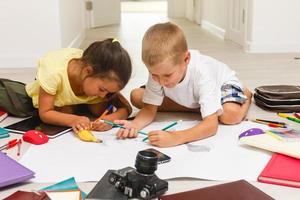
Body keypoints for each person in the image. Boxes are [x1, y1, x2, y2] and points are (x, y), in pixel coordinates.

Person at [115, 22, 252, 147]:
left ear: (186, 59)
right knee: (137, 96)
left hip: (224, 84)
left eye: (168, 75)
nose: (162, 82)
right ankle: (205, 106)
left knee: (229, 115)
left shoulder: (201, 72)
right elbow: (149, 110)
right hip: (193, 96)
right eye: (154, 75)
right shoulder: (160, 72)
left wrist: (177, 137)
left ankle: (246, 94)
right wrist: (134, 125)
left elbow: (211, 126)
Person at [25, 38, 132, 133]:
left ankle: (75, 106)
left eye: (109, 92)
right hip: (52, 94)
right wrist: (73, 120)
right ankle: (72, 107)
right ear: (88, 71)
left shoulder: (102, 78)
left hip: (79, 92)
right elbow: (45, 113)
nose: (103, 96)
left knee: (99, 111)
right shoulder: (54, 73)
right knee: (62, 111)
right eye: (102, 89)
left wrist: (110, 120)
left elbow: (126, 109)